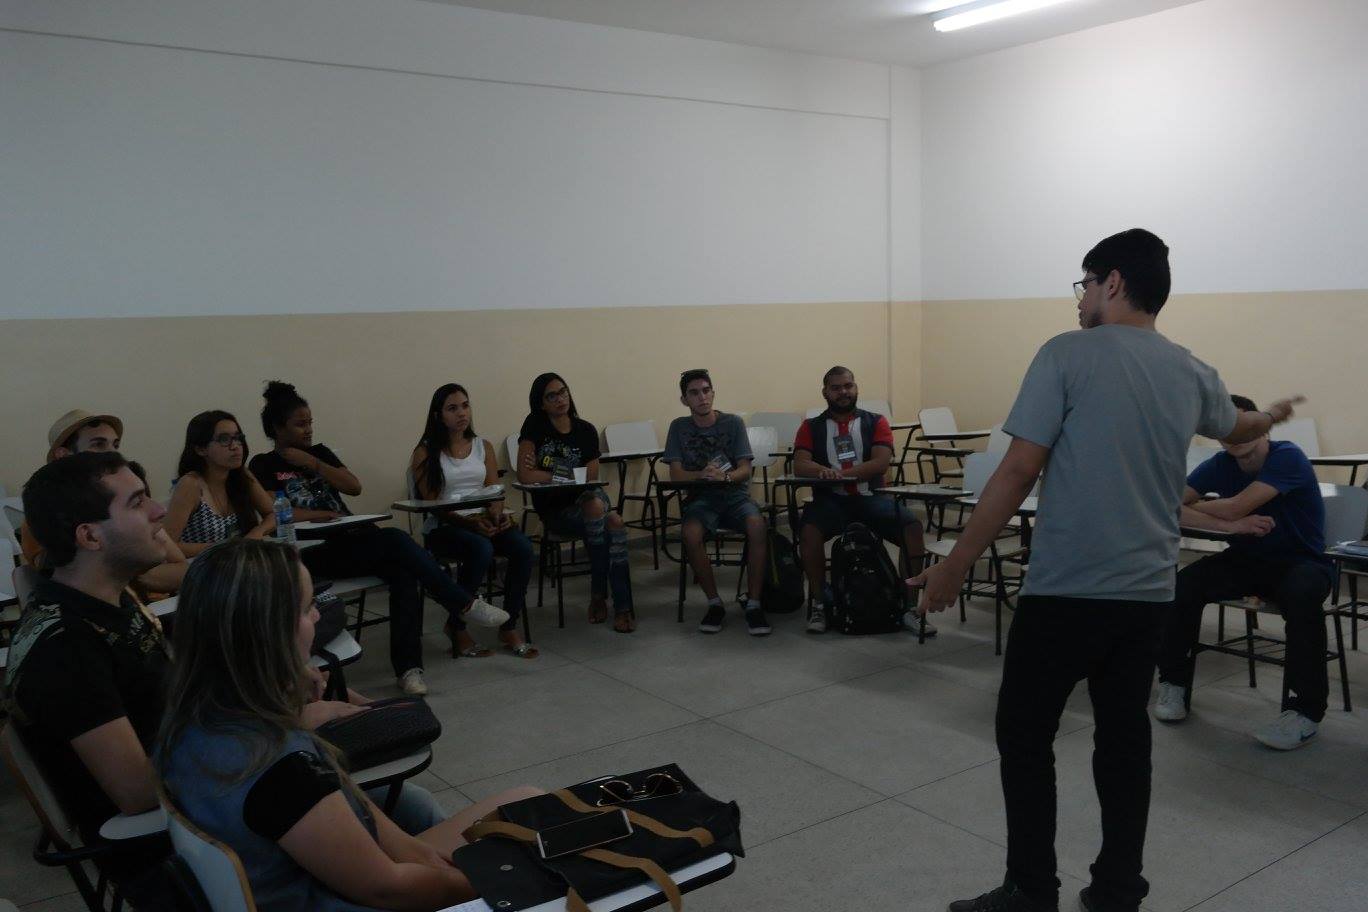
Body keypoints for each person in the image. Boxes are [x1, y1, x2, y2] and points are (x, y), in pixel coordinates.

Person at [910, 229, 1303, 912]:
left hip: (1065, 592)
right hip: (1147, 597)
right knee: (1124, 745)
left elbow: (1018, 469)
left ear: (1113, 282)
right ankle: (1119, 890)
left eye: (1085, 283)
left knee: (1024, 737)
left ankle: (1032, 890)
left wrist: (956, 563)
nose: (1080, 298)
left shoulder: (1065, 354)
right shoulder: (1191, 371)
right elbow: (1239, 426)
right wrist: (1271, 413)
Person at [155, 537, 542, 911]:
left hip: (322, 885)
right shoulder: (280, 769)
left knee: (528, 801)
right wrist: (505, 883)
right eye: (307, 608)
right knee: (539, 828)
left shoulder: (193, 722)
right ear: (270, 634)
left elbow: (383, 838)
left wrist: (441, 864)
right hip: (352, 899)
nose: (317, 616)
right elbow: (388, 889)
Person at [250, 382, 512, 694]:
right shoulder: (263, 464)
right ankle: (462, 603)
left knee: (403, 570)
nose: (308, 430)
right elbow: (274, 511)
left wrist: (314, 464)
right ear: (278, 428)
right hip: (310, 549)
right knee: (396, 541)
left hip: (349, 538)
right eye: (300, 424)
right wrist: (320, 514)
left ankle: (409, 670)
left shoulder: (319, 454)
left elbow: (353, 487)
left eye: (310, 423)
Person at [2, 452, 177, 906]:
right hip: (173, 852)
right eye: (137, 502)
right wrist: (251, 735)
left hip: (196, 806)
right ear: (90, 536)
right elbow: (138, 793)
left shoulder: (109, 598)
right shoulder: (65, 647)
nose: (159, 510)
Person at [1155, 394, 1333, 750]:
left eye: (1243, 426)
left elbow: (1238, 507)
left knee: (1302, 598)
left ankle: (1305, 712)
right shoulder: (1220, 464)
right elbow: (1165, 505)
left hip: (1303, 562)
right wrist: (1224, 519)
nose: (1236, 436)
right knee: (1183, 586)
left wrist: (1204, 507)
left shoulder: (1287, 456)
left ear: (1260, 426)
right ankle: (1173, 684)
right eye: (1228, 429)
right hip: (1247, 559)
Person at [792, 366, 929, 636]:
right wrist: (822, 472)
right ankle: (820, 604)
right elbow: (800, 465)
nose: (843, 392)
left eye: (848, 386)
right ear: (825, 392)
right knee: (808, 532)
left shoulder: (876, 421)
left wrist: (840, 475)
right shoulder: (811, 426)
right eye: (836, 388)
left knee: (912, 528)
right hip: (830, 501)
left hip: (871, 498)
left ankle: (910, 607)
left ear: (856, 388)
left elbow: (880, 463)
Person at [409, 383, 537, 659]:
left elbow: (494, 491)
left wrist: (498, 513)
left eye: (465, 406)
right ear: (438, 415)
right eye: (452, 408)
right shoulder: (425, 452)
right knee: (481, 548)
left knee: (523, 548)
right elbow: (433, 505)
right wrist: (469, 523)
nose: (461, 413)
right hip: (445, 527)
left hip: (482, 521)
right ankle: (456, 627)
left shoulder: (483, 446)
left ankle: (508, 625)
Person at [20, 409, 188, 595]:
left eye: (115, 445)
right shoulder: (45, 517)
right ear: (64, 455)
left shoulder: (127, 491)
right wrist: (129, 569)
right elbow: (72, 582)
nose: (112, 453)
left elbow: (181, 567)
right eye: (99, 444)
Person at [516, 372, 636, 632]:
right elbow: (525, 475)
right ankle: (616, 604)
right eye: (551, 396)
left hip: (588, 497)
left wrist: (547, 471)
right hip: (555, 510)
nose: (560, 399)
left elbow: (590, 476)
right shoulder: (534, 427)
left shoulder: (585, 430)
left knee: (597, 508)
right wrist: (570, 473)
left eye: (563, 392)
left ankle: (608, 601)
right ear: (541, 403)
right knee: (614, 523)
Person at [663, 369, 770, 635]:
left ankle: (754, 604)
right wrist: (701, 475)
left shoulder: (733, 423)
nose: (702, 397)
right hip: (701, 499)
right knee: (690, 533)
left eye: (706, 391)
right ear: (684, 400)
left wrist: (726, 476)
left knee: (758, 526)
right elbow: (676, 475)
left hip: (735, 496)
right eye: (694, 393)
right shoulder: (678, 427)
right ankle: (714, 603)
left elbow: (745, 469)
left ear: (713, 393)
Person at [163, 409, 277, 554]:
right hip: (204, 565)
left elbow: (274, 514)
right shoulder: (191, 484)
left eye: (238, 438)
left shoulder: (241, 475)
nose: (235, 446)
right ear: (201, 449)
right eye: (224, 439)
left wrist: (256, 533)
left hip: (240, 559)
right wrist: (224, 548)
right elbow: (167, 545)